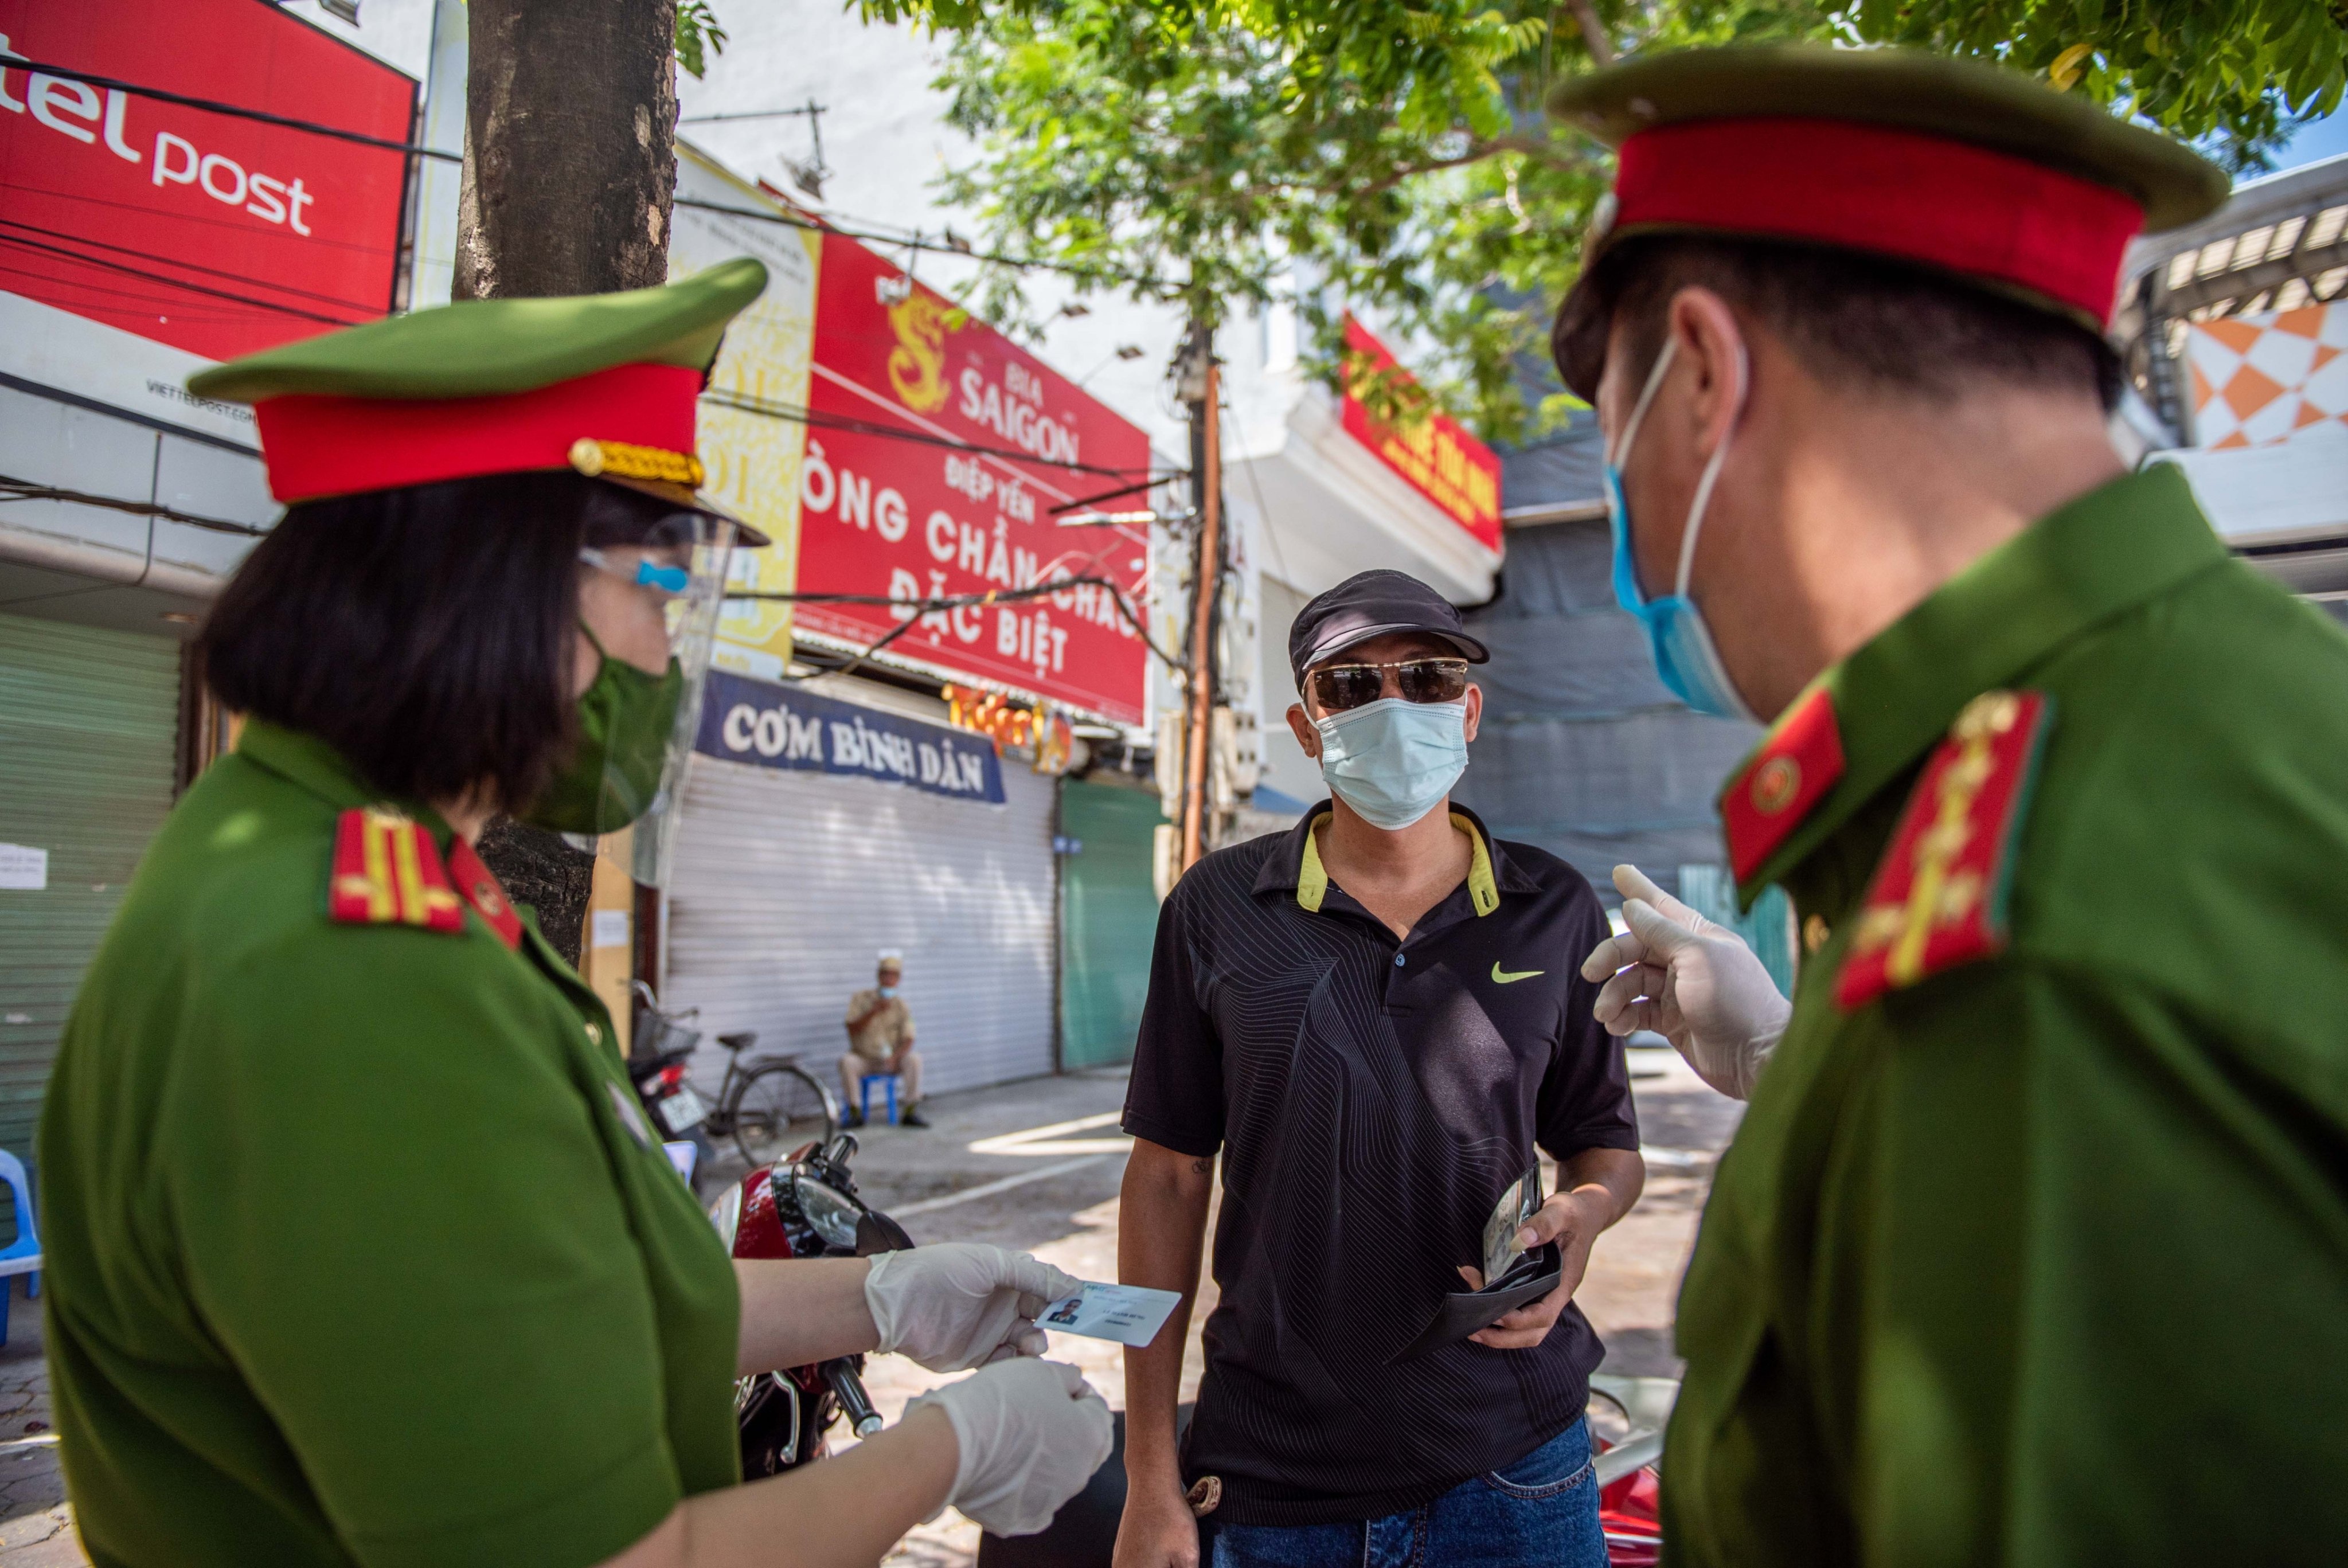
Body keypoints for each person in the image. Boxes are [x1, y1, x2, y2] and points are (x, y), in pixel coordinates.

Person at [38, 260, 1112, 1568]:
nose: (664, 650)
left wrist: (879, 1296)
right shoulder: (342, 972)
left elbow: (550, 1307)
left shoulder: (354, 866)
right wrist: (951, 1450)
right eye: (656, 588)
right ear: (495, 588)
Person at [1553, 44, 2348, 1563]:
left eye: (1610, 440)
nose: (1629, 528)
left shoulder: (2033, 948)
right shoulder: (2240, 707)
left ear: (1702, 374)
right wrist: (1798, 1065)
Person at [1115, 569, 1646, 1568]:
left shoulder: (1553, 907)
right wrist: (1149, 1473)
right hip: (1275, 1476)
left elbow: (1604, 1145)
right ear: (1306, 727)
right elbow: (1167, 1176)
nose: (1393, 704)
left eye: (1427, 677)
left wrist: (1583, 1219)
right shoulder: (1217, 907)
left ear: (1468, 710)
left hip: (1515, 1463)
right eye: (1351, 686)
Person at [842, 951, 927, 1128]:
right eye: (885, 974)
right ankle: (855, 1113)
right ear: (879, 976)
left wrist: (895, 1057)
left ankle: (910, 1111)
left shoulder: (902, 1006)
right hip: (865, 1059)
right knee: (847, 1062)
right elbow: (851, 1028)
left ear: (898, 979)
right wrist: (873, 1012)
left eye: (893, 976)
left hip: (890, 1061)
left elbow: (909, 1038)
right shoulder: (861, 999)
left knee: (914, 1059)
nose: (888, 979)